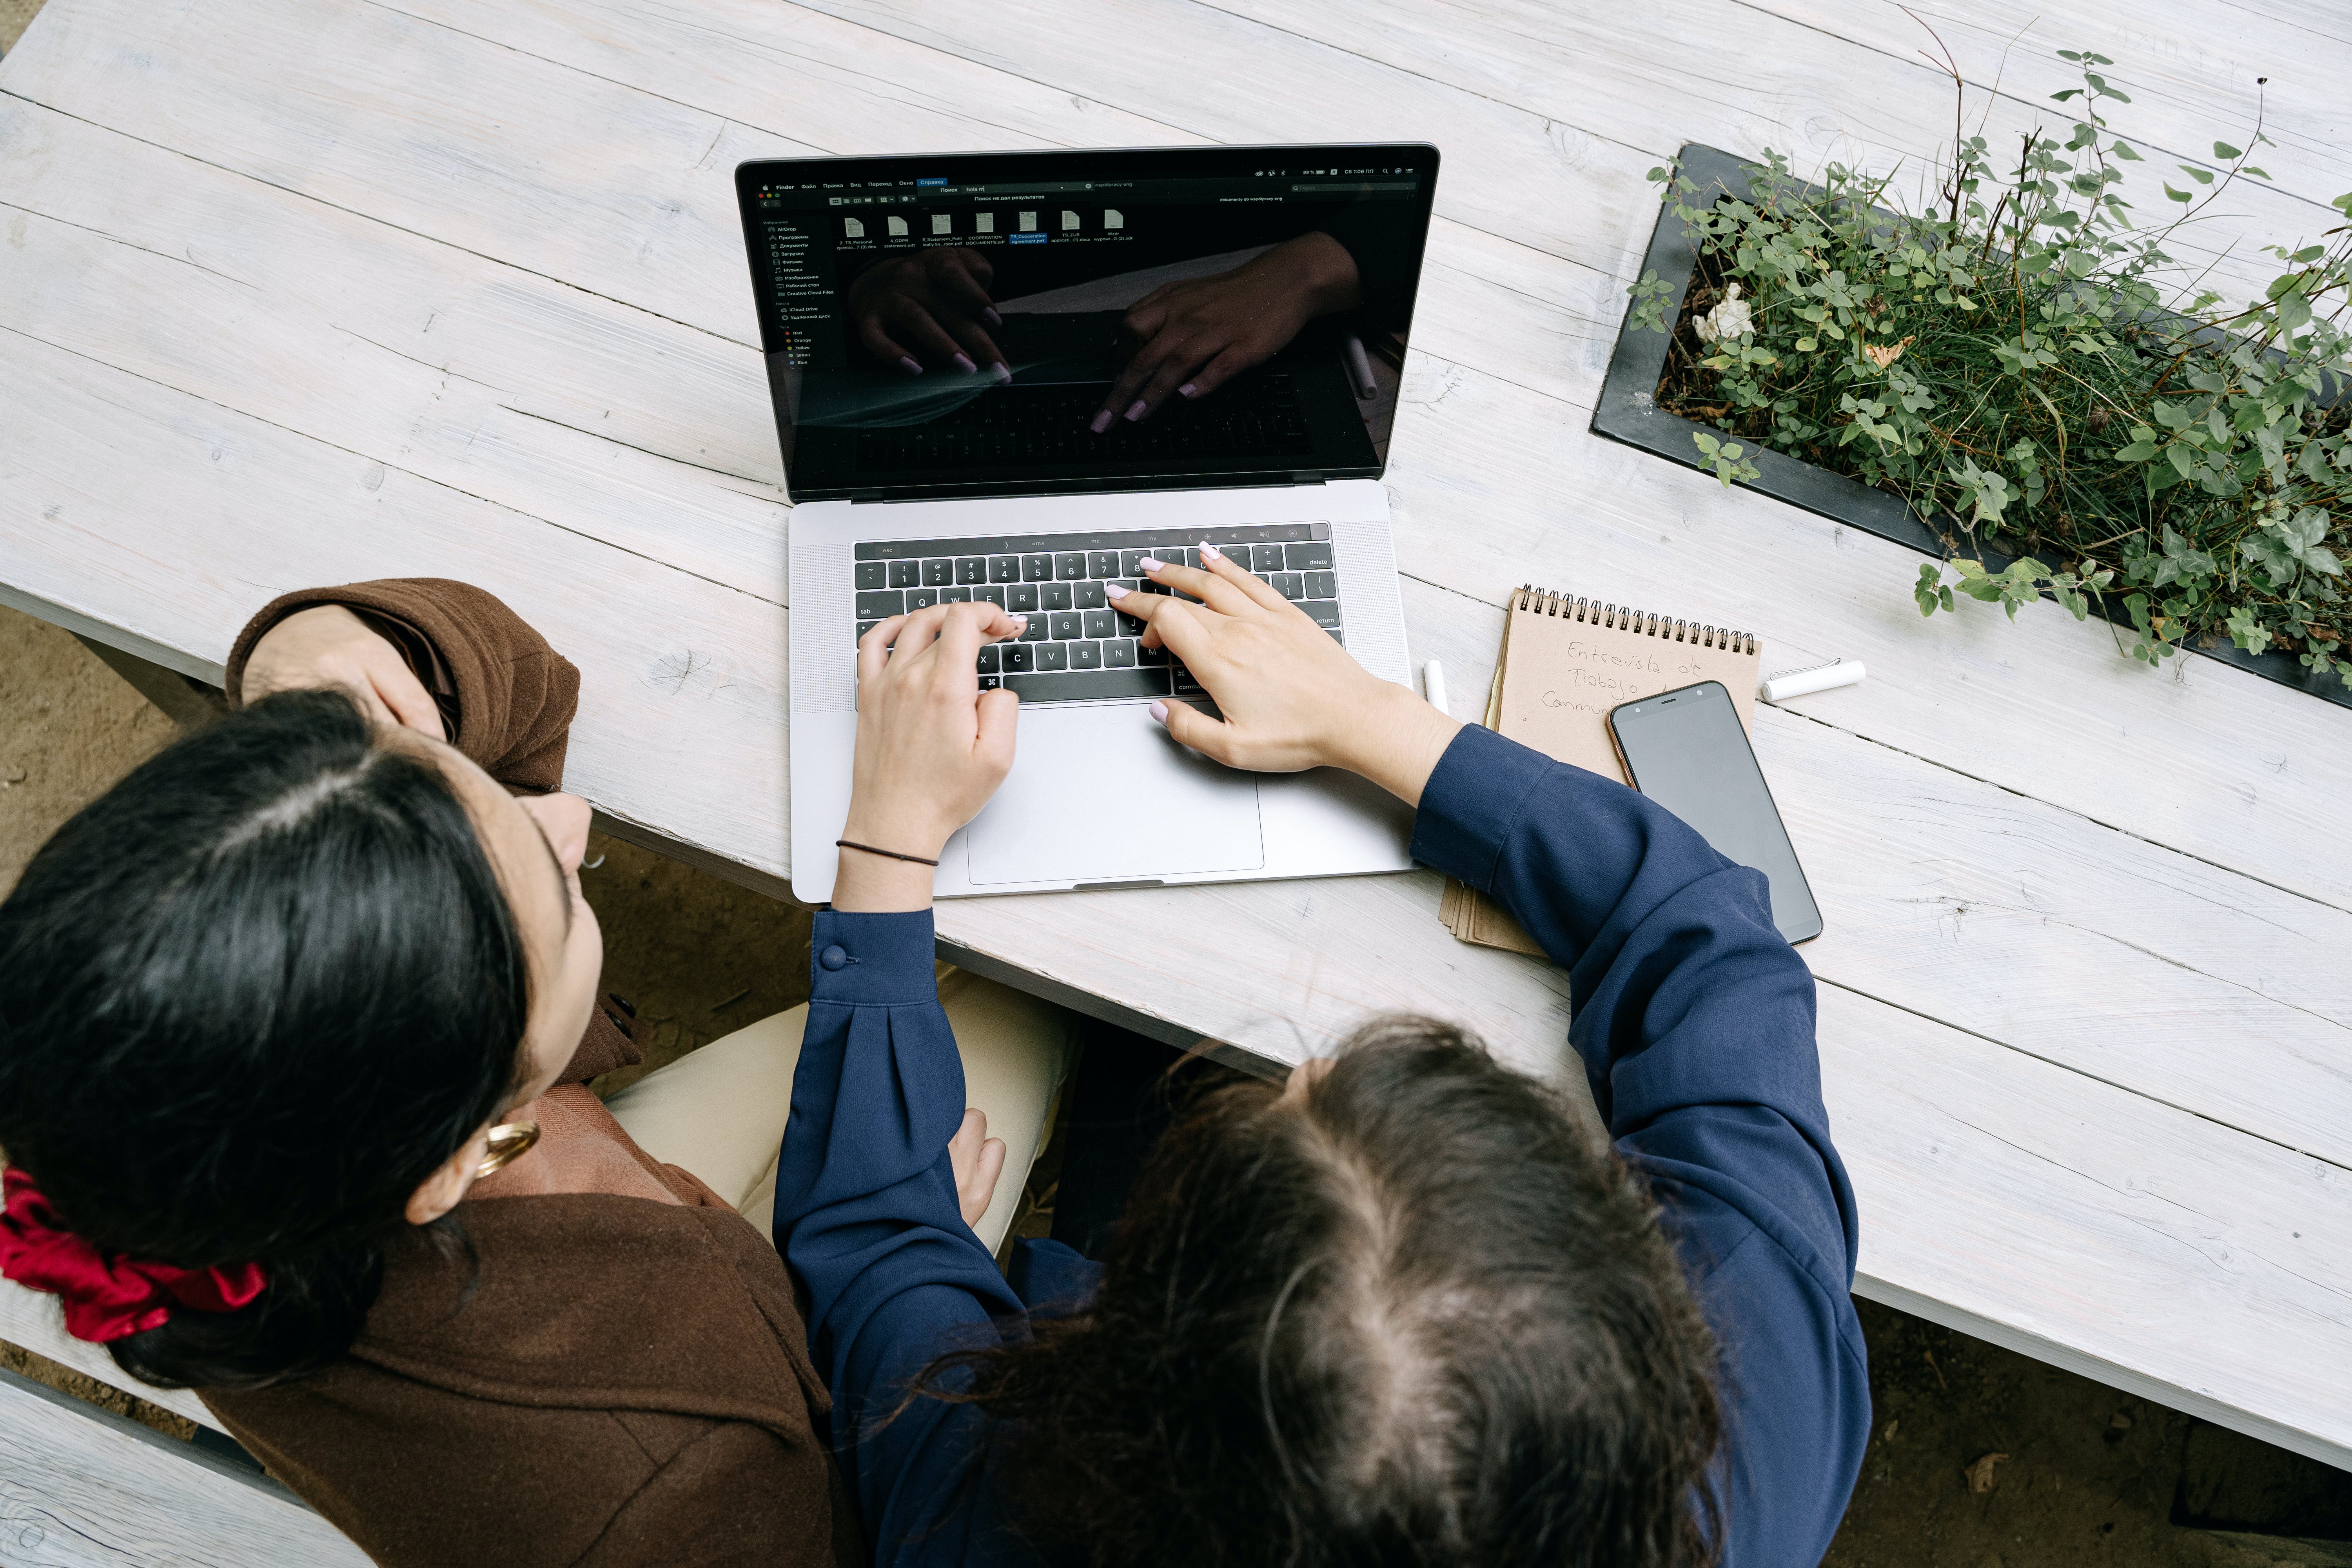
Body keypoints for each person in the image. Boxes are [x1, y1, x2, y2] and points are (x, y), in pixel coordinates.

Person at [778, 552, 1872, 1567]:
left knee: (1133, 1062)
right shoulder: (1755, 1407)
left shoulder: (987, 1513)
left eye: (1270, 1119)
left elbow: (869, 1243)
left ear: (1137, 1370)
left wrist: (888, 833)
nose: (1294, 1077)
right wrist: (1368, 718)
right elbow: (1718, 952)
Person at [0, 580, 1071, 1567]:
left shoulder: (157, 1137)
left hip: (656, 1264)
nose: (569, 818)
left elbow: (515, 694)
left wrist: (307, 653)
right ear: (464, 1153)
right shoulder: (679, 1498)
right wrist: (877, 1260)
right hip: (801, 1387)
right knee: (1041, 989)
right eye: (558, 894)